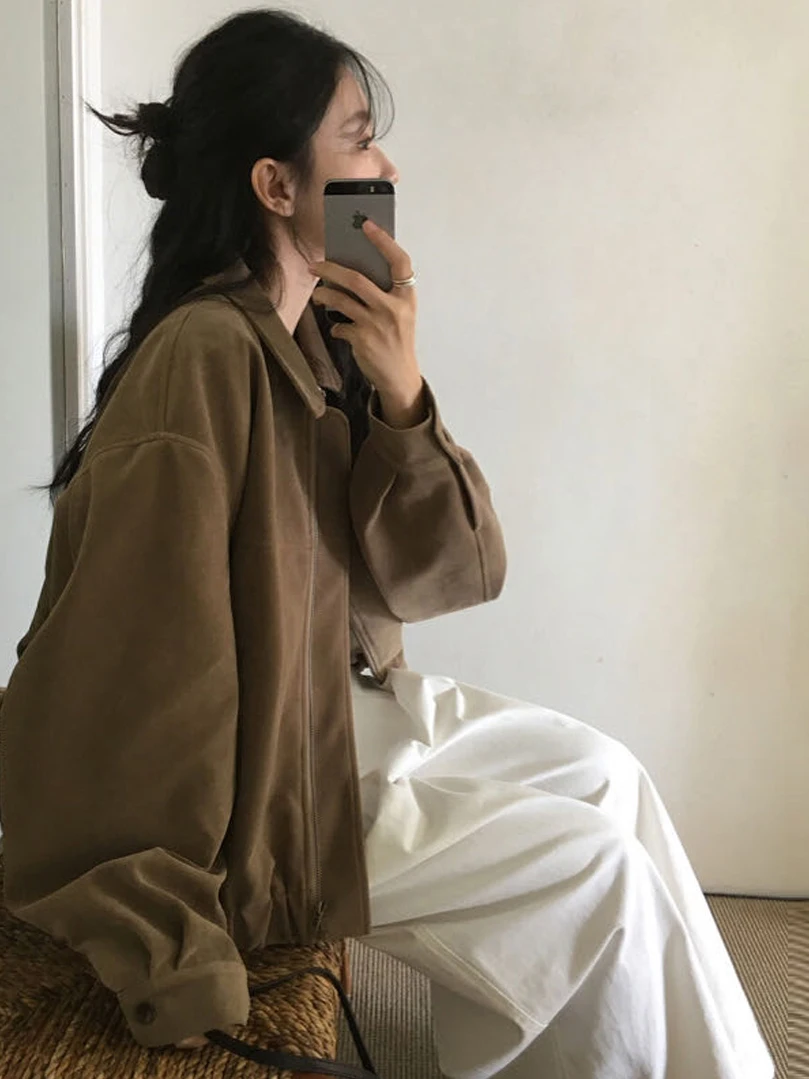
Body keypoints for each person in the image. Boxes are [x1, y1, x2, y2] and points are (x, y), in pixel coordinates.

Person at [0, 9, 774, 1079]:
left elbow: (446, 574)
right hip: (258, 785)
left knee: (609, 775)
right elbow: (129, 678)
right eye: (360, 139)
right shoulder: (204, 359)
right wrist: (168, 940)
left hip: (333, 705)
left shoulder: (316, 341)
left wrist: (403, 398)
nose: (387, 166)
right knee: (592, 868)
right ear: (277, 186)